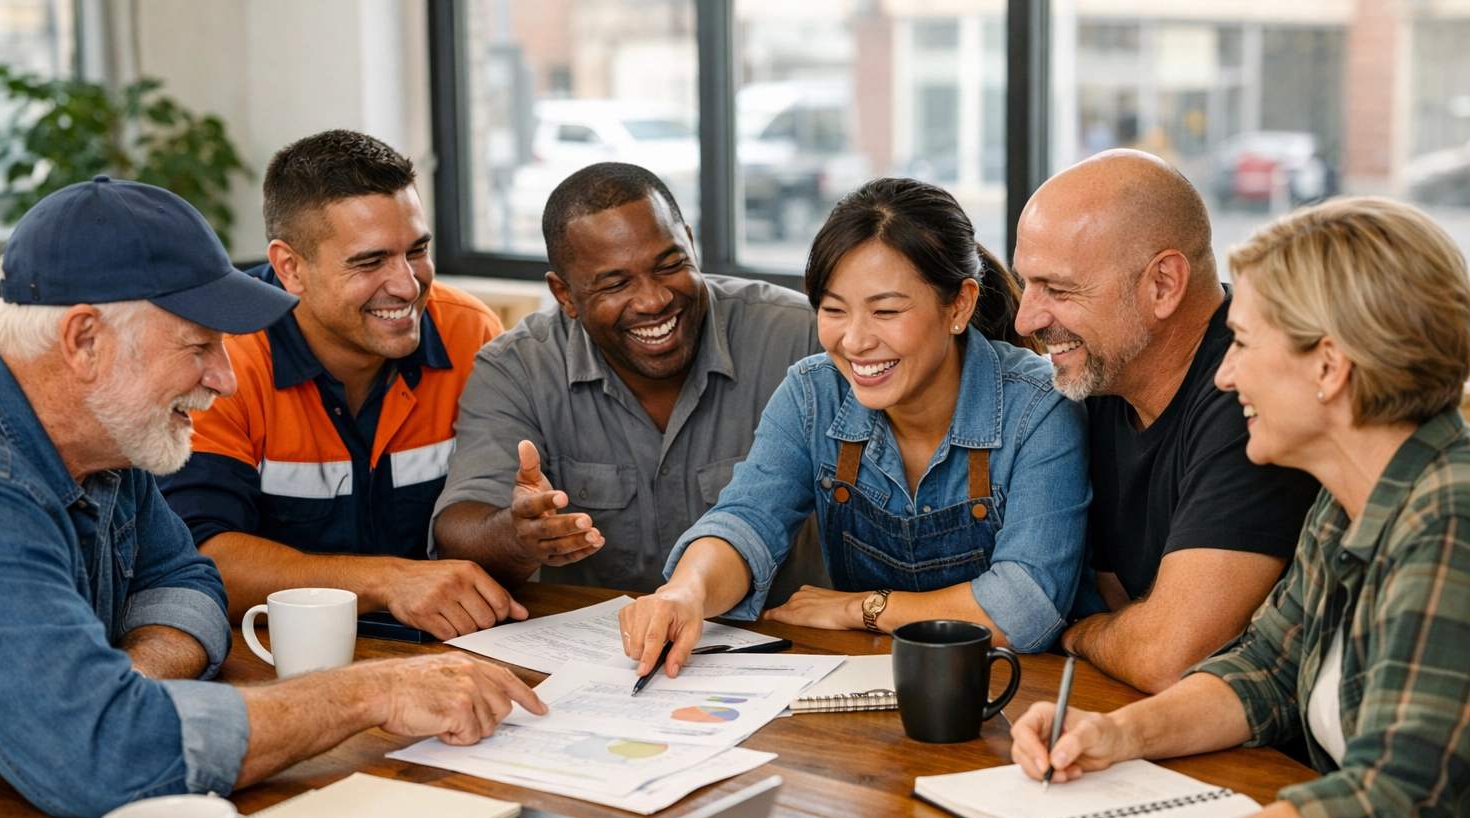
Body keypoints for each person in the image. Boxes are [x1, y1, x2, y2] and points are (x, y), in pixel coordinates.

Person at [0, 178, 545, 818]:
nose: (224, 378)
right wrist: (370, 692)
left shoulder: (96, 421)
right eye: (199, 347)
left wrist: (137, 678)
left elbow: (185, 576)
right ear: (84, 340)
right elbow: (102, 753)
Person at [1006, 197, 1470, 818]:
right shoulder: (1348, 493)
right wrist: (1117, 734)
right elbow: (1265, 671)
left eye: (1244, 346)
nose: (1224, 377)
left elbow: (1395, 800)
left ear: (1329, 366)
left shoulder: (1451, 515)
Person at [619, 178, 1090, 677]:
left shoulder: (1040, 407)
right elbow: (746, 522)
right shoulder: (812, 395)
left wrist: (860, 608)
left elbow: (1024, 608)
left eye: (886, 311)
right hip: (876, 683)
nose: (855, 340)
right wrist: (686, 591)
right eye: (833, 310)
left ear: (959, 305)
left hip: (1023, 693)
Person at [157, 130, 523, 641]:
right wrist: (388, 580)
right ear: (291, 268)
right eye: (370, 262)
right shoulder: (223, 361)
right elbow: (201, 558)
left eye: (416, 250)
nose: (407, 284)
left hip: (448, 646)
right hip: (274, 657)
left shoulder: (472, 333)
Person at [431, 162, 827, 596]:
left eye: (669, 264)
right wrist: (516, 534)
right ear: (565, 295)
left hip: (786, 644)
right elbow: (458, 528)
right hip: (598, 655)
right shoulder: (517, 368)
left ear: (691, 246)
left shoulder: (802, 337)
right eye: (616, 284)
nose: (654, 300)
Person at [1013, 150, 1320, 693]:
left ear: (1163, 285)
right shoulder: (1105, 375)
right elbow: (1123, 600)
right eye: (1026, 285)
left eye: (1058, 290)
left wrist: (1078, 635)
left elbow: (1169, 655)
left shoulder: (1251, 394)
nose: (1026, 319)